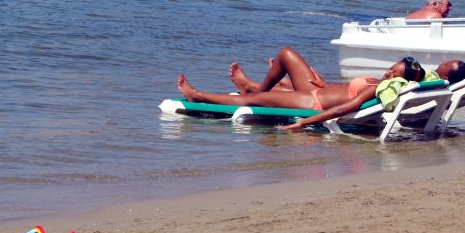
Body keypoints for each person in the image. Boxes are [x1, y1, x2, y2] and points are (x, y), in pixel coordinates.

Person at [175, 47, 428, 131]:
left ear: (401, 81)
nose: (389, 73)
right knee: (286, 54)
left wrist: (303, 124)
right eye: (392, 68)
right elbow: (345, 94)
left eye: (395, 73)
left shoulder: (382, 89)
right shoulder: (384, 83)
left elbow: (344, 107)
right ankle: (250, 86)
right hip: (318, 91)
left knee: (259, 101)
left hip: (312, 104)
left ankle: (197, 95)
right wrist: (325, 84)